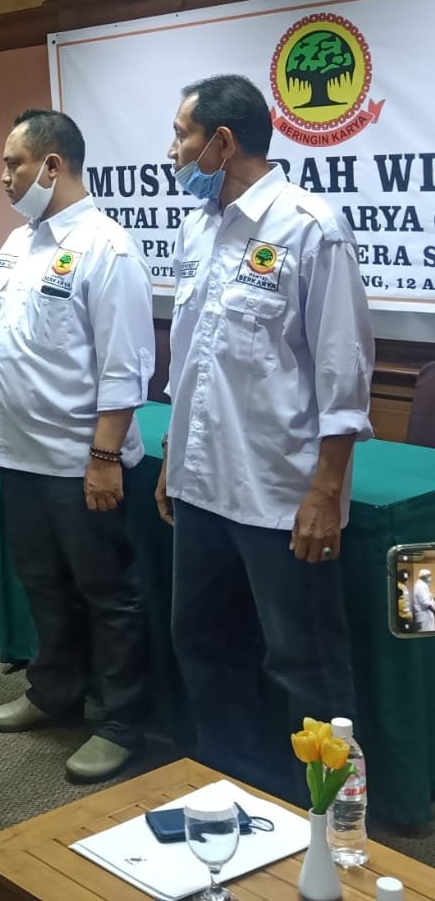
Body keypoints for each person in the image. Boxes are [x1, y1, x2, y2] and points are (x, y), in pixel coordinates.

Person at [158, 73, 374, 799]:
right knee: (203, 641)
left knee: (304, 665)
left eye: (182, 135)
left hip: (281, 494)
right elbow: (191, 362)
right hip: (201, 487)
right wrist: (172, 459)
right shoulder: (198, 226)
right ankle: (236, 786)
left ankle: (328, 815)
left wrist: (325, 492)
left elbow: (344, 375)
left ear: (222, 142)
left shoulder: (310, 227)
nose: (172, 151)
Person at [0, 110, 155, 782]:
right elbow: (5, 345)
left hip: (81, 461)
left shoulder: (108, 248)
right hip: (21, 452)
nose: (3, 177)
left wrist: (104, 458)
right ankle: (54, 693)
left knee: (107, 593)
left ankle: (124, 723)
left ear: (52, 165)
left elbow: (126, 366)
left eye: (13, 164)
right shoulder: (19, 243)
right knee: (44, 584)